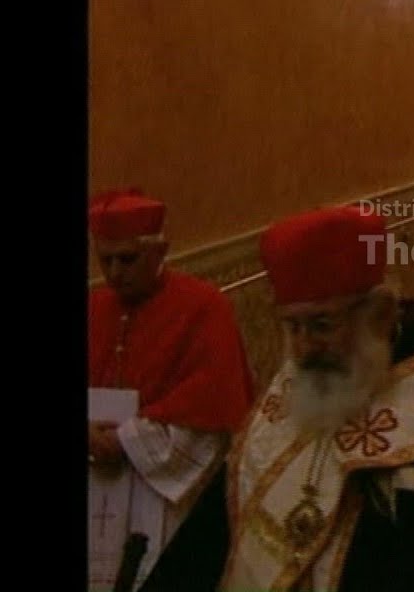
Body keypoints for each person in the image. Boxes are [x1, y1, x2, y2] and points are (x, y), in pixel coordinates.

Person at [140, 207, 414, 592]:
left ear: (377, 314)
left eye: (322, 325)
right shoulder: (285, 403)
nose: (303, 349)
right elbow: (210, 541)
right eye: (293, 328)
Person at [88, 189, 255, 590]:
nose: (114, 273)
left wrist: (126, 442)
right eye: (104, 259)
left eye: (127, 259)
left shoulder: (205, 307)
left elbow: (212, 412)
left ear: (161, 250)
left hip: (162, 497)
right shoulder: (94, 307)